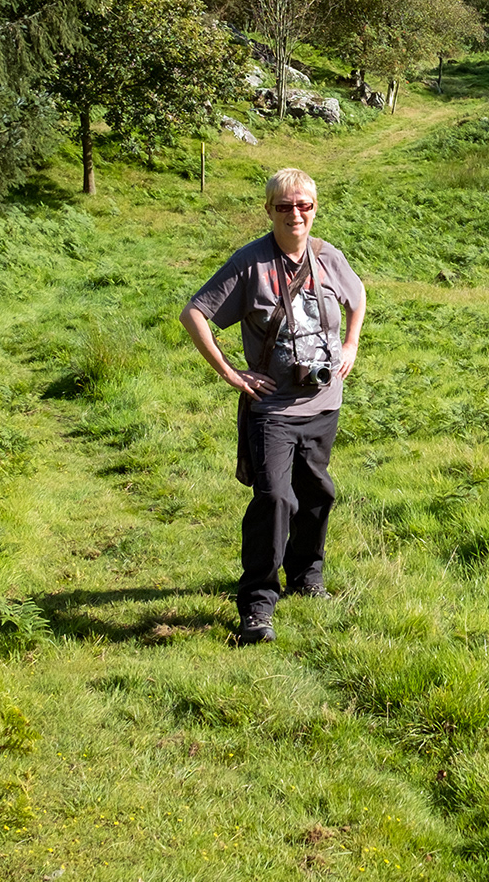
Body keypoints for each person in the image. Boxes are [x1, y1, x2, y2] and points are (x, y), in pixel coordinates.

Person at [179, 168, 366, 646]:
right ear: (269, 211)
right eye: (284, 206)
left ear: (315, 208)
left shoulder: (328, 257)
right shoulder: (249, 263)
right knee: (275, 500)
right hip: (272, 410)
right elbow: (194, 313)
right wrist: (230, 372)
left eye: (303, 205)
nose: (295, 214)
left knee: (318, 494)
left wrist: (350, 343)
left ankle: (307, 578)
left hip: (324, 403)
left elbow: (357, 296)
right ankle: (258, 606)